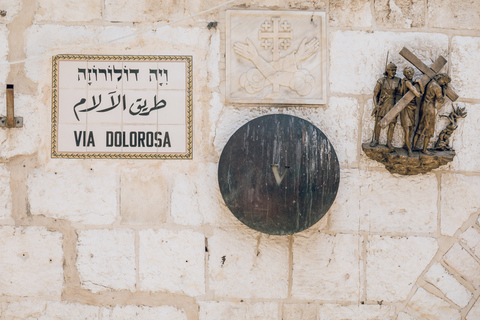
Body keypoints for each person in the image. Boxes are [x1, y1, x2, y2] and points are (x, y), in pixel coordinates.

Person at [412, 73, 451, 154]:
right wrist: (444, 91)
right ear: (441, 79)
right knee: (429, 129)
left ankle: (413, 147)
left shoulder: (430, 83)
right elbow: (440, 100)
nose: (444, 84)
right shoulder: (437, 87)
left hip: (423, 106)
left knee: (420, 126)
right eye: (444, 82)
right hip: (430, 108)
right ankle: (424, 149)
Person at [370, 62, 402, 149]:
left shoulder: (397, 81)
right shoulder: (381, 80)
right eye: (392, 70)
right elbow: (375, 95)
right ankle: (376, 140)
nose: (394, 72)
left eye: (395, 70)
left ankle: (389, 142)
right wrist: (376, 105)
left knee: (392, 124)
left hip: (392, 104)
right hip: (383, 104)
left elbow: (401, 92)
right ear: (387, 70)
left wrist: (404, 83)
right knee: (378, 122)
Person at [400, 66, 422, 157]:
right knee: (407, 130)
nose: (409, 74)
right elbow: (414, 91)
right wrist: (417, 93)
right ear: (405, 74)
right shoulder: (406, 82)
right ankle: (409, 150)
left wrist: (420, 83)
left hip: (412, 108)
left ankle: (408, 145)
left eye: (410, 72)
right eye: (407, 72)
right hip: (405, 108)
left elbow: (421, 92)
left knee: (412, 128)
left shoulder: (413, 82)